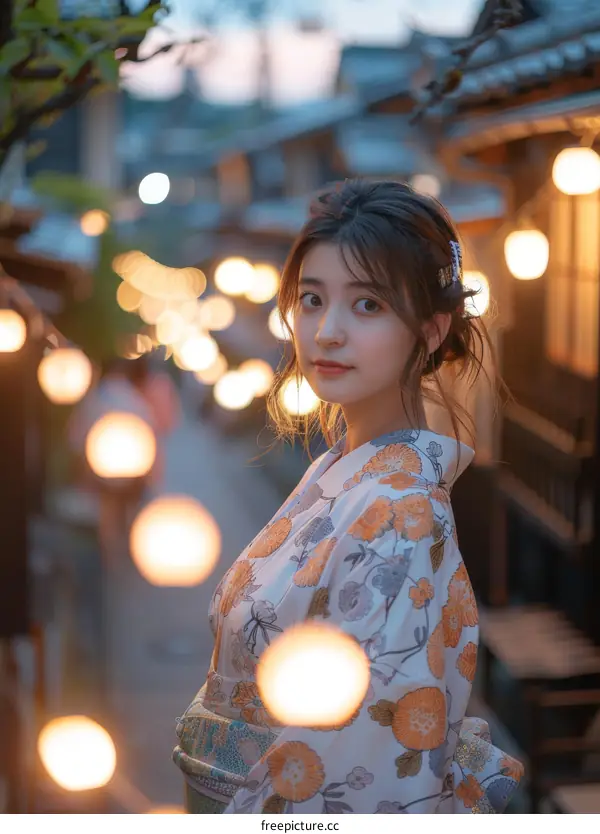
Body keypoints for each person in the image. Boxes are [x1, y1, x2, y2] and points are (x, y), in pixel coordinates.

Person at [173, 179, 524, 814]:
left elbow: (366, 772)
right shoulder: (343, 473)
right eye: (312, 299)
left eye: (367, 305)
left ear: (431, 330)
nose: (327, 331)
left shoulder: (400, 513)